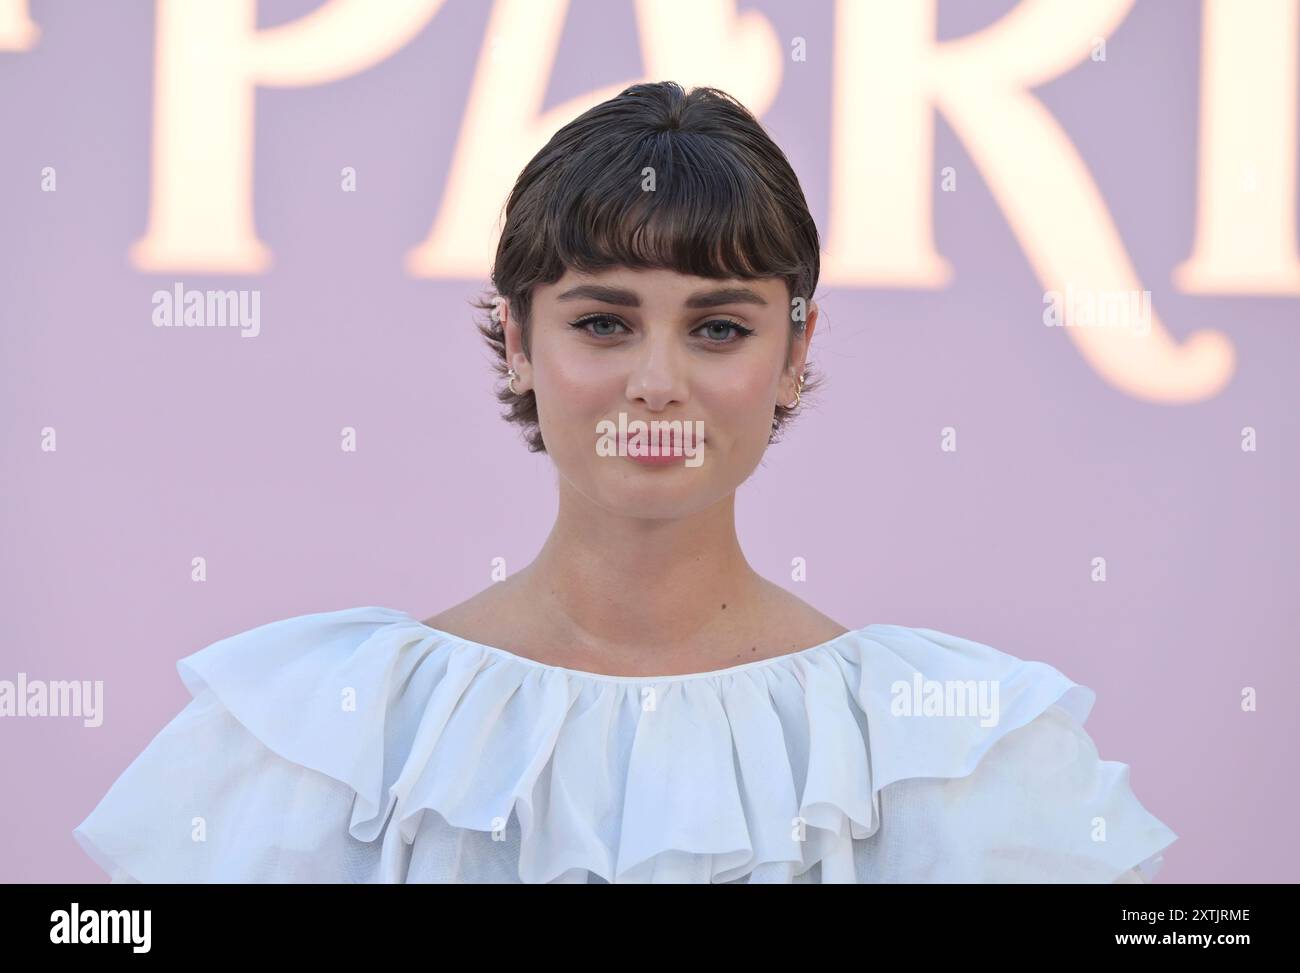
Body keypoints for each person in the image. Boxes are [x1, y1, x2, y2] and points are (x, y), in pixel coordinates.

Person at [72, 81, 1176, 884]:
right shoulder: (333, 735)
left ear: (795, 351)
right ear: (516, 336)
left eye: (718, 326)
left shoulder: (952, 751)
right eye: (603, 321)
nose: (657, 383)